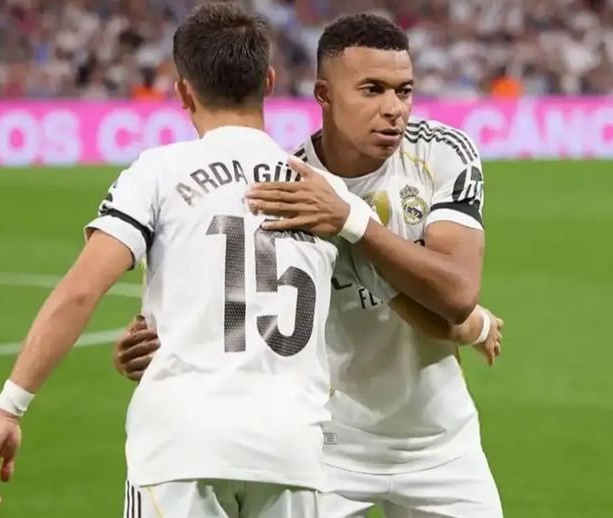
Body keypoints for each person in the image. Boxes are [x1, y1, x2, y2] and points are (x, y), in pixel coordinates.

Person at [0, 3, 383, 516]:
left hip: (181, 446)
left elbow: (81, 291)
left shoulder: (158, 172)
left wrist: (10, 407)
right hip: (292, 452)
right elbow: (380, 308)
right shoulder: (325, 193)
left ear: (184, 92)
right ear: (269, 82)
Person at [115, 13, 505, 518]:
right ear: (324, 94)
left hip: (442, 444)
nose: (394, 109)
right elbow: (233, 300)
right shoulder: (287, 186)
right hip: (329, 449)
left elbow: (456, 294)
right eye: (372, 90)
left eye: (404, 91)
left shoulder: (441, 151)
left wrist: (352, 221)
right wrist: (155, 343)